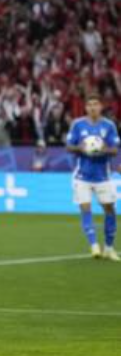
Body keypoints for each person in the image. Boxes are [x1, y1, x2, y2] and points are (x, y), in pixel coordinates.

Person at [65, 94, 119, 260]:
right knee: (85, 208)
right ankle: (94, 245)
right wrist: (80, 148)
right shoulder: (77, 124)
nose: (93, 107)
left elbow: (115, 150)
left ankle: (109, 248)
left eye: (96, 104)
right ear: (86, 108)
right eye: (89, 105)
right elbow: (69, 147)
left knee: (110, 210)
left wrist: (103, 149)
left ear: (101, 107)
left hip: (103, 177)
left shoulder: (109, 125)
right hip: (82, 177)